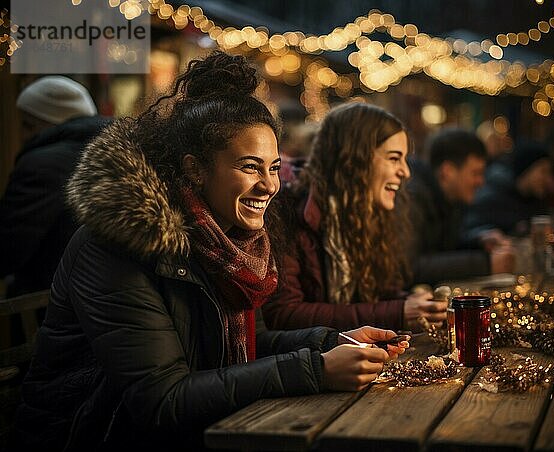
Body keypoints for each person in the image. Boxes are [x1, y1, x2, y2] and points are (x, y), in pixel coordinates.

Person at [14, 52, 407, 452]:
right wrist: (316, 370)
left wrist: (333, 342)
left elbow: (253, 345)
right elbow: (162, 401)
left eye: (273, 168)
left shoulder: (230, 239)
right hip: (91, 437)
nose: (270, 186)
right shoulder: (118, 246)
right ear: (195, 169)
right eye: (250, 167)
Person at [262, 102, 447, 333]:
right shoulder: (288, 211)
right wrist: (396, 312)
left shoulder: (369, 214)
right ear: (354, 160)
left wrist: (414, 303)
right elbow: (285, 314)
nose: (405, 172)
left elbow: (377, 296)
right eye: (393, 158)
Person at [0, 75, 110, 298]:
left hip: (51, 303)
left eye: (26, 124)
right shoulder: (120, 153)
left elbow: (9, 247)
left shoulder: (42, 165)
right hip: (107, 301)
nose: (22, 135)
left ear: (45, 122)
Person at [407, 128, 514, 285]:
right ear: (448, 171)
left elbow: (444, 249)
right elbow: (411, 267)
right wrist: (485, 264)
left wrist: (478, 242)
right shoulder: (412, 197)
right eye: (475, 173)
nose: (481, 182)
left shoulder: (452, 199)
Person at [464, 141, 554, 240]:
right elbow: (468, 232)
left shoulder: (536, 201)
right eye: (543, 171)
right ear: (526, 170)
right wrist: (488, 236)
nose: (548, 179)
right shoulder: (492, 197)